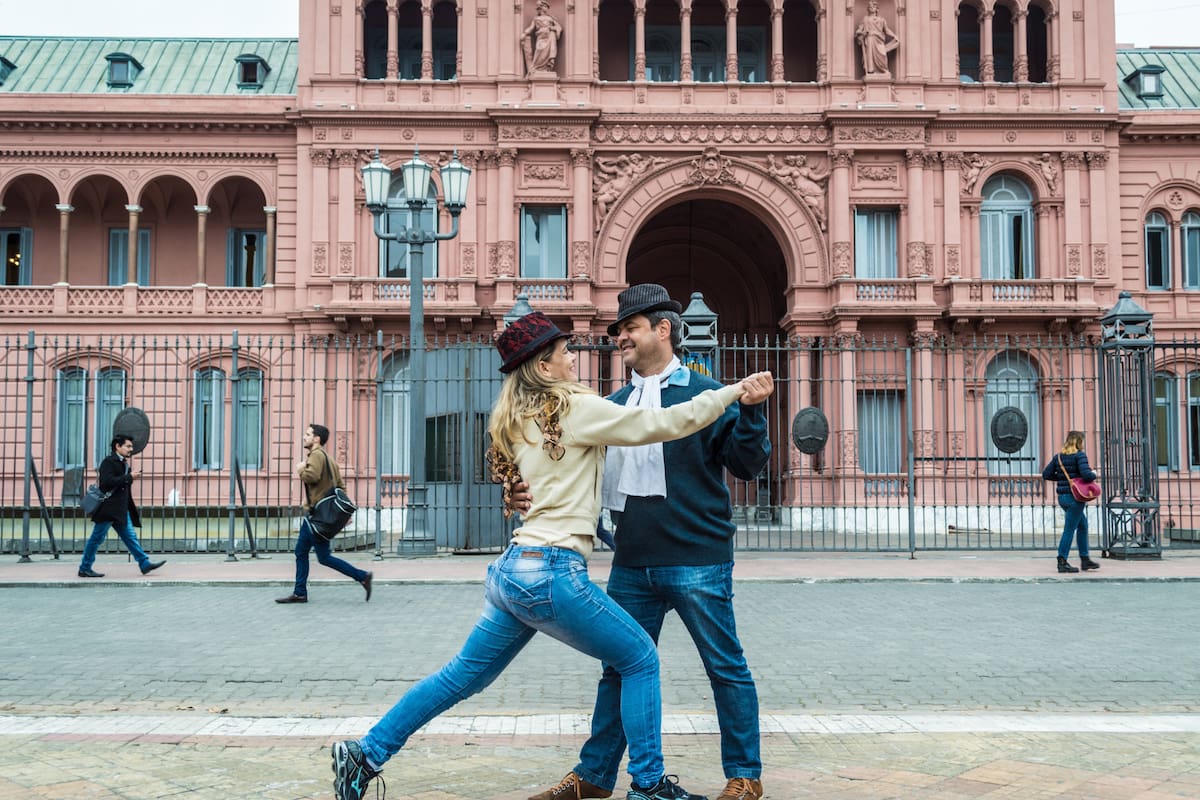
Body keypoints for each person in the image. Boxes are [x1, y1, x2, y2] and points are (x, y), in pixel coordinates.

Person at [330, 311, 772, 800]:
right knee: (640, 659)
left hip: (512, 571)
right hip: (553, 570)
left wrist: (512, 491)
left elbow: (537, 479)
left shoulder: (517, 417)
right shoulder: (576, 408)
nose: (573, 358)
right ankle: (648, 786)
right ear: (543, 366)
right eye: (564, 352)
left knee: (460, 676)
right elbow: (665, 422)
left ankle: (365, 753)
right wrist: (732, 392)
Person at [528, 284, 774, 800]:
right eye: (617, 330)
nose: (620, 338)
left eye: (630, 328)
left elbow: (747, 465)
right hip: (631, 563)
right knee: (618, 670)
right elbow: (568, 465)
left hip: (698, 560)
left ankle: (744, 776)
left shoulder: (707, 395)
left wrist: (751, 413)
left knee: (724, 667)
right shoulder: (614, 406)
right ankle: (594, 779)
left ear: (663, 329)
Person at [275, 424, 372, 604]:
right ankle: (362, 576)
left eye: (307, 434)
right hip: (323, 516)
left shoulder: (317, 455)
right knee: (323, 557)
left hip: (316, 516)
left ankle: (300, 593)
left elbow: (311, 476)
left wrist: (301, 468)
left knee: (301, 552)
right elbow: (340, 487)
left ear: (317, 438)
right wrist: (341, 513)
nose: (304, 437)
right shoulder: (329, 459)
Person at [77, 434, 165, 578]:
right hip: (108, 510)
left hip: (120, 510)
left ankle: (144, 563)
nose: (131, 449)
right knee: (96, 539)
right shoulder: (108, 462)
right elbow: (106, 482)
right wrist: (129, 477)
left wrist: (129, 478)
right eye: (128, 446)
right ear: (118, 446)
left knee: (130, 537)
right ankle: (84, 567)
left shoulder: (124, 463)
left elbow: (123, 486)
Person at [1041, 430, 1101, 574]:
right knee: (1069, 529)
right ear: (1079, 442)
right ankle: (1062, 561)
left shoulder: (1059, 457)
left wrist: (1063, 480)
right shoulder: (1080, 455)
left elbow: (1046, 474)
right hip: (1076, 498)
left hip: (1063, 498)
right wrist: (1094, 474)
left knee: (1083, 526)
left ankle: (1085, 559)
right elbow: (1086, 475)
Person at [855, 0, 900, 76]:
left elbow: (886, 30)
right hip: (869, 39)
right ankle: (871, 71)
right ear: (868, 9)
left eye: (873, 6)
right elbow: (859, 30)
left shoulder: (881, 20)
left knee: (882, 54)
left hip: (879, 40)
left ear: (877, 9)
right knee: (870, 55)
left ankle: (883, 70)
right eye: (870, 6)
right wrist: (862, 33)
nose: (871, 8)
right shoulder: (865, 19)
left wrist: (894, 36)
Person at [522, 0, 562, 76]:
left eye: (544, 7)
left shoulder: (550, 18)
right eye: (540, 7)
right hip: (541, 37)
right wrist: (524, 34)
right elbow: (531, 28)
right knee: (539, 51)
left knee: (548, 53)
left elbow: (558, 27)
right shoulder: (536, 18)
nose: (543, 9)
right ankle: (536, 68)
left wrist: (552, 28)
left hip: (550, 37)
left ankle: (546, 69)